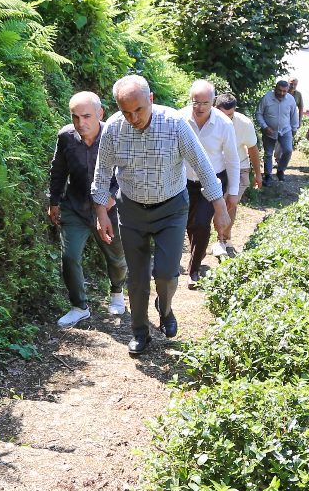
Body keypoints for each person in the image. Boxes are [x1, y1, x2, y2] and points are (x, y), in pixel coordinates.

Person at [93, 75, 230, 355]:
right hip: (131, 210)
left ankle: (165, 309)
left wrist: (221, 209)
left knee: (166, 273)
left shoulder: (175, 124)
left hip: (171, 208)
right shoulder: (113, 131)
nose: (133, 118)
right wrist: (101, 213)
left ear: (151, 99)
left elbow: (204, 167)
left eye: (138, 110)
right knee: (138, 278)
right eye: (125, 112)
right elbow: (102, 173)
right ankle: (140, 332)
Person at [47, 91, 128, 328]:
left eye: (86, 116)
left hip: (110, 208)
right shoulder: (66, 137)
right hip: (75, 206)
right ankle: (79, 307)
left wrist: (111, 198)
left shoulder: (116, 136)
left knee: (116, 256)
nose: (81, 123)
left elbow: (125, 172)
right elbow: (58, 171)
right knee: (69, 255)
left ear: (101, 113)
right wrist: (54, 201)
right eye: (75, 117)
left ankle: (116, 291)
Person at [180, 80, 241, 287]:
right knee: (189, 223)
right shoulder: (180, 119)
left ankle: (194, 269)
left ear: (213, 101)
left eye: (204, 103)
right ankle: (197, 252)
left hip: (213, 181)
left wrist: (232, 191)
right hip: (185, 181)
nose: (199, 107)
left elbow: (233, 158)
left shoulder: (224, 124)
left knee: (201, 223)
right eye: (195, 102)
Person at [214, 92, 260, 252]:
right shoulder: (206, 120)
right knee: (217, 205)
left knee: (230, 203)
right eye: (223, 114)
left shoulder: (244, 123)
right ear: (215, 107)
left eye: (230, 115)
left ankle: (223, 239)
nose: (227, 118)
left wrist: (258, 174)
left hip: (240, 167)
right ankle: (218, 238)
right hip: (216, 167)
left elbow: (253, 148)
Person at [256, 79, 300, 185]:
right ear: (275, 88)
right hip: (269, 131)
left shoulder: (290, 100)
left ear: (288, 90)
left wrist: (294, 129)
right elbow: (258, 113)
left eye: (284, 91)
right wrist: (265, 126)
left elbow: (294, 115)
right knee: (268, 153)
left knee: (288, 150)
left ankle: (280, 170)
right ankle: (268, 176)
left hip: (286, 130)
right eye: (279, 90)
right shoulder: (267, 98)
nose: (282, 93)